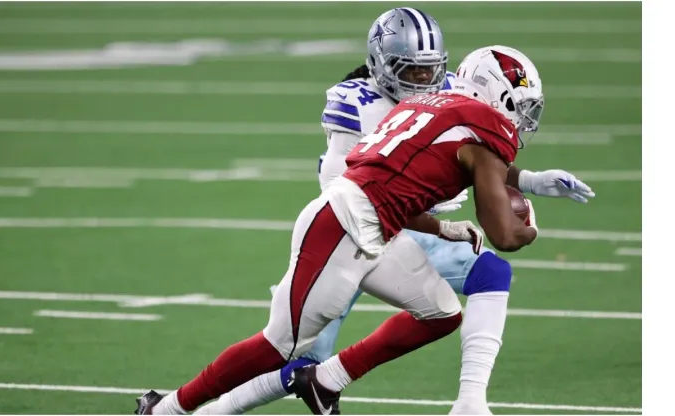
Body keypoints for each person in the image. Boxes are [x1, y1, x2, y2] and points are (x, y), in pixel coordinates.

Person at [186, 8, 594, 416]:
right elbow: (342, 184)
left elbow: (476, 160)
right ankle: (205, 410)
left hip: (419, 229)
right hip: (358, 230)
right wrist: (429, 221)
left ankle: (471, 402)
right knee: (297, 358)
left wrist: (529, 181)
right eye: (413, 71)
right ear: (383, 65)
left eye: (432, 70)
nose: (425, 80)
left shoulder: (452, 93)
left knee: (489, 275)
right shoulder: (354, 100)